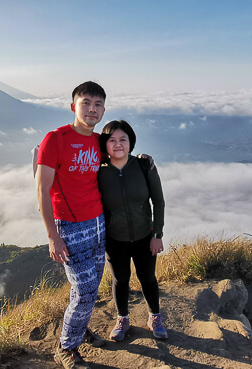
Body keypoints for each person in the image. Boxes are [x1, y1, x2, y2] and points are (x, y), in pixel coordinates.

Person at [36, 81, 108, 369]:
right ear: (73, 106)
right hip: (69, 225)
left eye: (98, 104)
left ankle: (79, 327)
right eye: (86, 103)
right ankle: (66, 347)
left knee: (90, 287)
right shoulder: (56, 139)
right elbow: (41, 190)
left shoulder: (99, 141)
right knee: (87, 289)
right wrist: (52, 236)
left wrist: (141, 160)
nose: (92, 109)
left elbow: (117, 158)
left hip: (99, 223)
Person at [97, 120, 167, 341]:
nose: (118, 144)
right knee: (120, 279)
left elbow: (159, 201)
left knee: (148, 278)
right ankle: (122, 319)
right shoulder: (98, 171)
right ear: (105, 145)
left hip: (145, 236)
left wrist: (158, 234)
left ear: (131, 142)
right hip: (114, 238)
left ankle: (154, 317)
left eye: (123, 139)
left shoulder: (144, 166)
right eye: (112, 140)